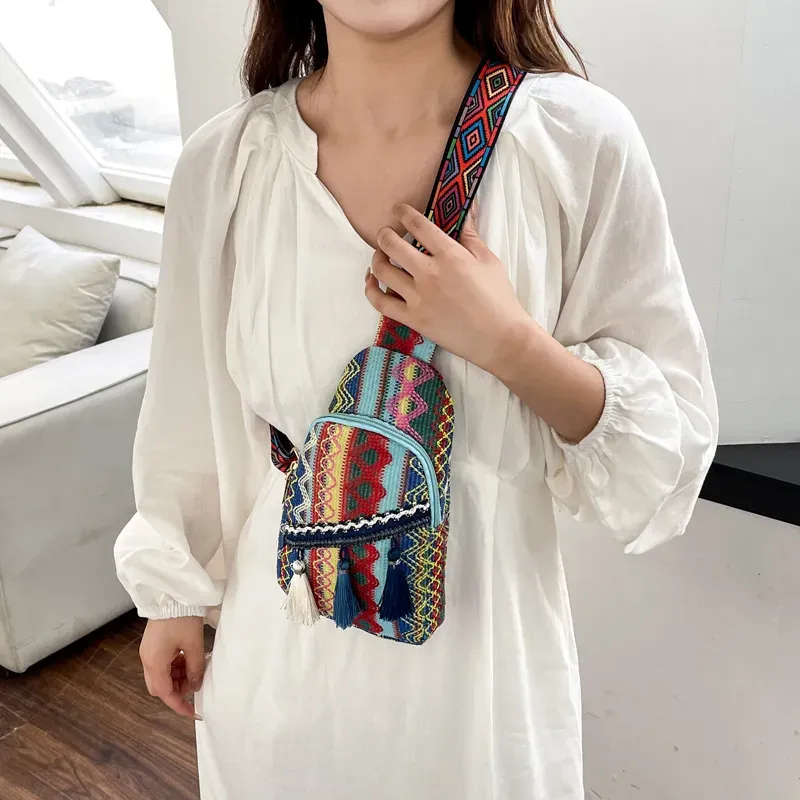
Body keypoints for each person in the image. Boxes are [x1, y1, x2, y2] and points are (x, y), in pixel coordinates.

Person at [114, 1, 718, 797]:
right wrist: (174, 591)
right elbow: (190, 407)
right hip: (284, 663)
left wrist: (509, 342)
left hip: (482, 692)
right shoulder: (226, 164)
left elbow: (667, 452)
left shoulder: (575, 139)